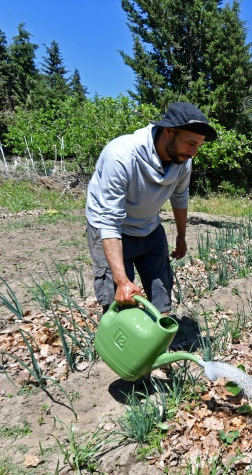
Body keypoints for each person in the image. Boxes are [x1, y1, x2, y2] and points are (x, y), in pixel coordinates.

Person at [85, 102, 217, 315]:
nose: (194, 152)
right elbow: (109, 220)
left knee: (161, 292)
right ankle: (120, 343)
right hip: (110, 229)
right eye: (190, 143)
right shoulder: (121, 156)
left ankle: (156, 340)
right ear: (169, 132)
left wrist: (181, 236)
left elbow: (180, 197)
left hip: (149, 225)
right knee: (120, 300)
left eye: (198, 146)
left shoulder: (183, 161)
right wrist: (121, 280)